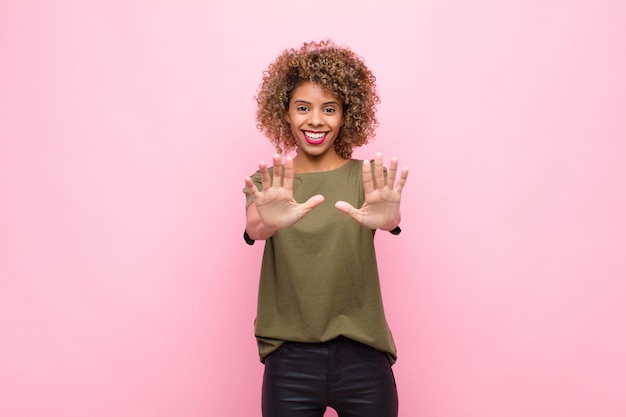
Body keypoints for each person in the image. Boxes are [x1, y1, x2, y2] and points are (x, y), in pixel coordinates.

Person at [243, 40, 409, 417]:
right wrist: (264, 222)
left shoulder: (368, 178)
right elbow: (254, 225)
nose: (315, 120)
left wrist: (389, 221)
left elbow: (390, 217)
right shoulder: (268, 182)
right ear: (284, 113)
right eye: (303, 108)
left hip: (364, 359)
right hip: (290, 363)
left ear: (345, 115)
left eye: (329, 109)